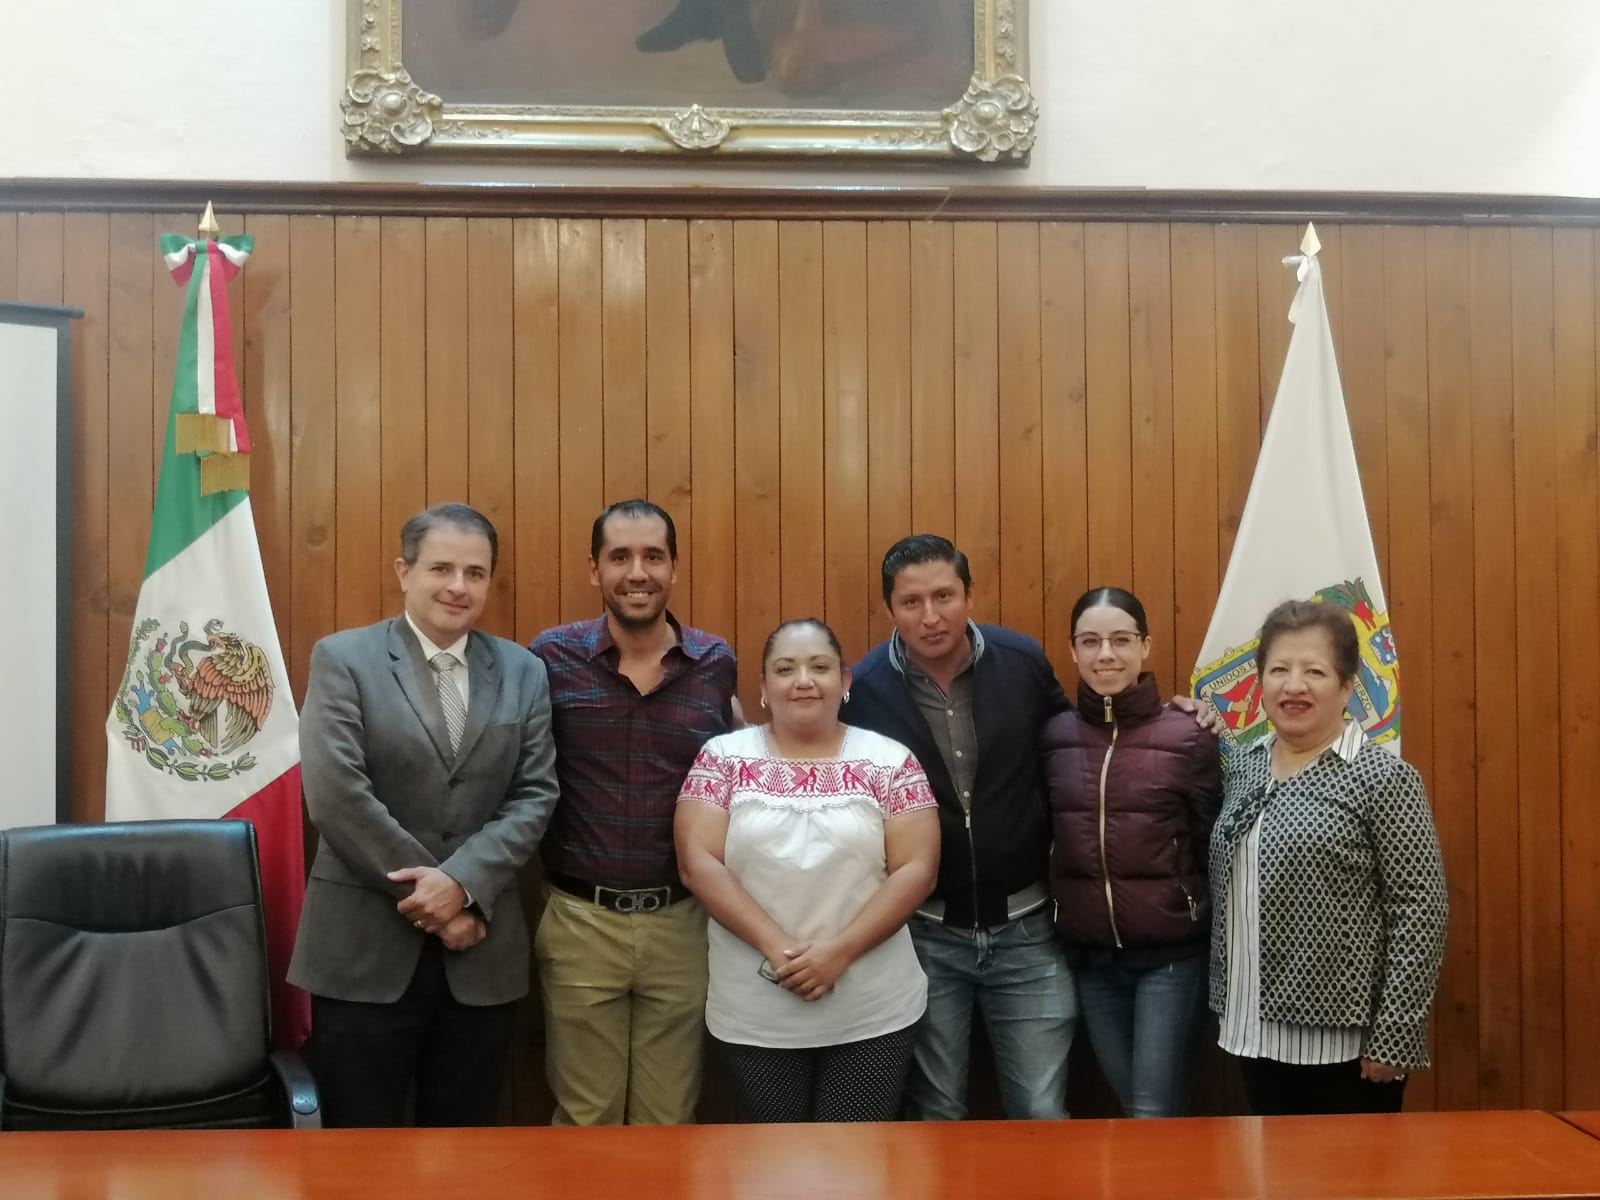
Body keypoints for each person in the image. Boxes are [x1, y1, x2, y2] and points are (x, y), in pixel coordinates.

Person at [289, 502, 558, 1127]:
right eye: (441, 568)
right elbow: (336, 795)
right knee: (357, 1152)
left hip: (479, 956)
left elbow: (535, 794)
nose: (458, 586)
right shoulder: (344, 659)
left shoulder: (523, 671)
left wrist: (462, 886)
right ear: (404, 571)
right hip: (363, 954)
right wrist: (437, 900)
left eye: (475, 573)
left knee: (464, 1153)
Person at [839, 534, 1078, 1121]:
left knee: (1042, 1113)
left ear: (970, 594)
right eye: (911, 601)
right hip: (924, 936)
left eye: (944, 596)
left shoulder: (1021, 661)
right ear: (889, 609)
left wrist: (1173, 712)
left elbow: (1076, 742)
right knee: (936, 1113)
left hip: (1028, 932)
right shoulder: (864, 689)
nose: (930, 616)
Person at [675, 618, 941, 1122]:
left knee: (855, 1157)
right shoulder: (722, 758)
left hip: (871, 1008)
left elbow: (917, 869)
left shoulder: (890, 760)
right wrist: (780, 950)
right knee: (776, 1157)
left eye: (820, 667)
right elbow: (698, 862)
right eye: (785, 669)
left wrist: (839, 953)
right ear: (762, 687)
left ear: (844, 682)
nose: (803, 680)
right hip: (756, 1006)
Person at [530, 499, 739, 1125]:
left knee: (668, 1122)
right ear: (595, 570)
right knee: (585, 1118)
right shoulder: (550, 657)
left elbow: (740, 773)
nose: (638, 572)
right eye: (619, 556)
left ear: (674, 567)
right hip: (580, 921)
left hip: (683, 923)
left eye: (653, 556)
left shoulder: (714, 662)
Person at [1208, 599, 1448, 1116]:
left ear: (1345, 686)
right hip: (1250, 1030)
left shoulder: (1384, 778)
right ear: (1260, 682)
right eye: (1279, 670)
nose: (1293, 685)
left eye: (1314, 671)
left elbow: (1420, 912)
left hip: (1347, 1047)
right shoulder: (1244, 767)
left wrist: (1395, 1035)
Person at [1040, 587, 1222, 1118]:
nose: (1106, 655)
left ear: (1145, 646)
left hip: (1171, 958)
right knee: (1133, 1107)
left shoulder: (1189, 734)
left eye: (1121, 640)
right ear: (1072, 650)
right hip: (1091, 960)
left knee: (1150, 1111)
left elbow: (1213, 844)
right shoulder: (1053, 737)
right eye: (1090, 641)